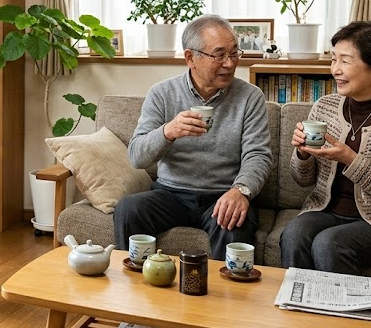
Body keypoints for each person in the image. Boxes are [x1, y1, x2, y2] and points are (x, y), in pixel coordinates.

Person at [113, 15, 273, 260]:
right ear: (191, 58)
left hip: (223, 195)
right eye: (219, 55)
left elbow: (258, 155)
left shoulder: (250, 97)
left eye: (234, 53)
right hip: (171, 194)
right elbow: (136, 156)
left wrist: (241, 191)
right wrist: (168, 131)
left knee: (235, 223)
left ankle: (224, 297)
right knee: (129, 209)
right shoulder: (162, 94)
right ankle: (136, 288)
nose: (230, 63)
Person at [280, 21, 371, 275]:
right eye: (333, 59)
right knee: (294, 233)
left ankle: (342, 313)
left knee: (329, 244)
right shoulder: (324, 107)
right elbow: (302, 180)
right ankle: (299, 308)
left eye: (345, 61)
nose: (335, 69)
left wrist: (350, 159)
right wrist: (303, 153)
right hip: (326, 211)